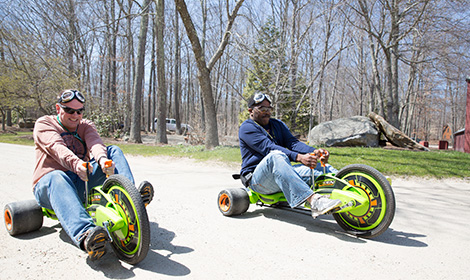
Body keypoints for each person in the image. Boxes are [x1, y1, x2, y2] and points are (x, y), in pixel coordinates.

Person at [32, 89, 154, 261]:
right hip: (50, 185)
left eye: (79, 111)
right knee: (56, 176)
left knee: (113, 151)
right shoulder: (45, 124)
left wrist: (103, 160)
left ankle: (130, 198)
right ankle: (86, 235)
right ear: (58, 108)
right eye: (69, 110)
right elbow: (57, 148)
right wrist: (77, 164)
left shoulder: (85, 125)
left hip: (82, 180)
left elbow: (95, 142)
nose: (75, 115)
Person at [239, 93, 342, 218]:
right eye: (262, 109)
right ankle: (315, 201)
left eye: (269, 109)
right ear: (251, 110)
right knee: (275, 155)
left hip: (280, 175)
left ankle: (353, 189)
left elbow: (292, 143)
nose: (267, 112)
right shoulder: (247, 128)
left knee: (322, 169)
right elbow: (269, 148)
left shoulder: (277, 125)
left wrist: (315, 152)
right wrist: (299, 157)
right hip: (258, 181)